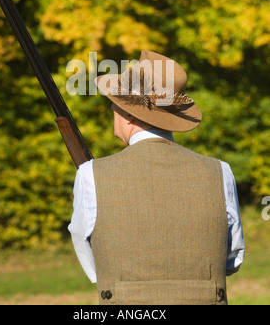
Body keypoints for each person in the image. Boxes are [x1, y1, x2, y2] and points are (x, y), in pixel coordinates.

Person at [68, 50, 245, 305]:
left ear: (129, 114)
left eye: (115, 104)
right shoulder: (219, 171)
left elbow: (92, 261)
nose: (112, 110)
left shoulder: (90, 174)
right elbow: (233, 258)